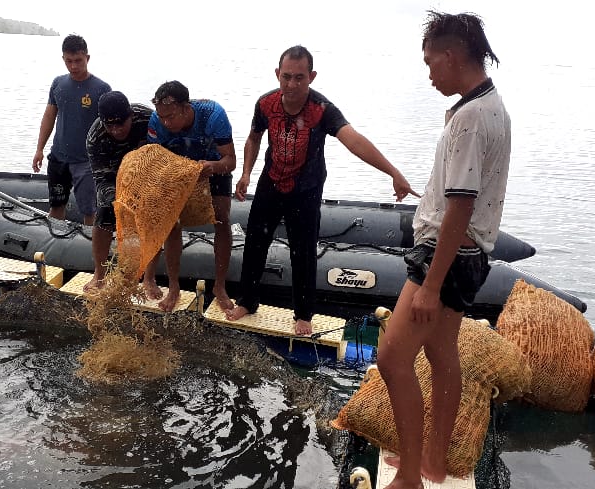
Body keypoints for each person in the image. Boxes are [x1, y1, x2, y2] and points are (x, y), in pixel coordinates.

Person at [377, 12, 509, 489]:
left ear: (451, 57)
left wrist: (430, 285)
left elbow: (460, 205)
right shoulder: (489, 105)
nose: (430, 73)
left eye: (431, 62)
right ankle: (433, 460)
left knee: (392, 359)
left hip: (447, 257)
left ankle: (411, 477)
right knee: (440, 351)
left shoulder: (471, 119)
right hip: (469, 256)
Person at [226, 45, 418, 335]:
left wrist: (393, 172)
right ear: (277, 74)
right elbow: (254, 138)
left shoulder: (322, 110)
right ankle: (247, 301)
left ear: (311, 76)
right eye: (286, 77)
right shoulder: (265, 104)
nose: (292, 84)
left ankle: (303, 314)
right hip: (271, 183)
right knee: (255, 242)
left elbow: (354, 141)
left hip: (306, 190)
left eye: (299, 77)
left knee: (303, 251)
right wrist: (245, 174)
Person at [147, 80, 237, 312]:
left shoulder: (213, 115)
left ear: (186, 108)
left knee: (222, 219)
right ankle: (174, 286)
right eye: (162, 117)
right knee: (172, 223)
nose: (166, 122)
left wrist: (212, 167)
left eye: (171, 117)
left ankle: (219, 286)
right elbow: (154, 161)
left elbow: (231, 161)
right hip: (176, 169)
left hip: (212, 166)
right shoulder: (156, 121)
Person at [32, 34, 111, 225]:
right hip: (58, 158)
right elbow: (49, 116)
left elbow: (110, 129)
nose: (73, 66)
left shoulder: (102, 89)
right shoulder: (58, 84)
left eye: (78, 60)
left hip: (86, 162)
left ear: (87, 58)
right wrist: (39, 149)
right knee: (56, 207)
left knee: (90, 212)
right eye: (69, 61)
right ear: (63, 59)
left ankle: (90, 243)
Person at [83, 90, 155, 293]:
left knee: (152, 214)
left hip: (146, 169)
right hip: (112, 175)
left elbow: (163, 153)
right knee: (104, 211)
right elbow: (101, 179)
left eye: (121, 124)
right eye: (110, 126)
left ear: (130, 115)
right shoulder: (95, 137)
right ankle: (99, 274)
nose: (116, 130)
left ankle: (149, 278)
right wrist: (119, 200)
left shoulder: (147, 118)